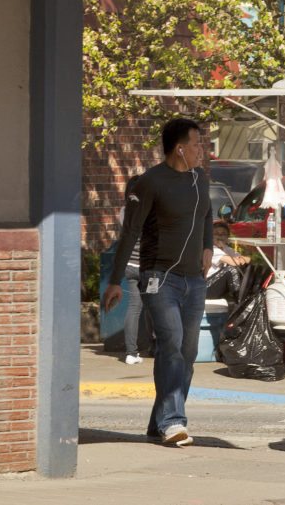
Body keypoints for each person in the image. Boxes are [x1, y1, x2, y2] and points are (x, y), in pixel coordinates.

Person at [102, 117, 213, 447]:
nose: (201, 151)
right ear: (180, 148)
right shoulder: (150, 183)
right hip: (158, 279)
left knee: (188, 353)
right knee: (171, 344)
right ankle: (173, 421)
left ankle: (158, 422)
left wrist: (207, 245)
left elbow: (206, 214)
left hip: (194, 280)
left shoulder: (200, 179)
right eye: (196, 144)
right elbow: (130, 232)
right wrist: (114, 281)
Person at [204, 221, 251, 351]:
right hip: (206, 287)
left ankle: (244, 298)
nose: (221, 237)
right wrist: (238, 260)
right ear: (211, 236)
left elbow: (247, 259)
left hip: (218, 288)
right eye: (217, 234)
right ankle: (239, 302)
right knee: (231, 269)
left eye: (224, 234)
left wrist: (240, 260)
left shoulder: (226, 249)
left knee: (243, 269)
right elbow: (233, 262)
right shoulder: (212, 249)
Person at [119, 175, 145, 365]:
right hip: (148, 268)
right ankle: (158, 347)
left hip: (130, 266)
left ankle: (131, 352)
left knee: (135, 308)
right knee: (157, 307)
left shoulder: (124, 211)